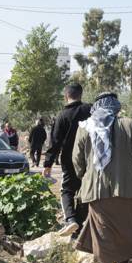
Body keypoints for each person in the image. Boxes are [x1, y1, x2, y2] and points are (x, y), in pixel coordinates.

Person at [73, 92, 132, 263]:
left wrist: (84, 176)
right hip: (124, 187)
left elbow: (77, 160)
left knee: (102, 230)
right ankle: (124, 260)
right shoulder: (128, 124)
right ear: (116, 106)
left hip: (97, 190)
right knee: (126, 225)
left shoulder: (85, 127)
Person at [43, 84, 92, 234]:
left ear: (66, 96)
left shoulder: (62, 116)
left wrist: (48, 163)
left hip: (70, 160)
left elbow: (55, 142)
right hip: (90, 158)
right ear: (81, 94)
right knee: (86, 191)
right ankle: (79, 226)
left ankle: (70, 220)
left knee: (67, 191)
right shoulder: (91, 110)